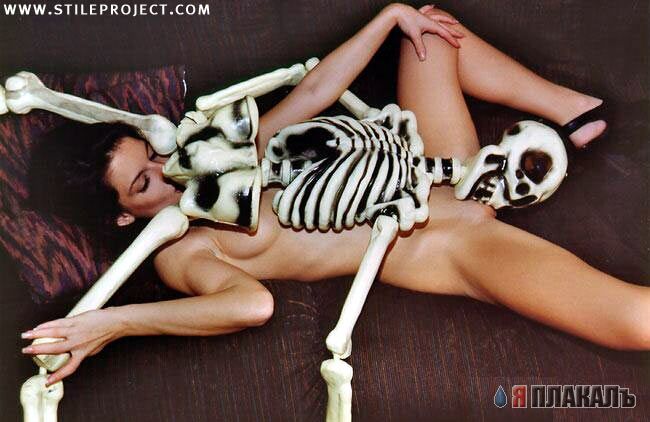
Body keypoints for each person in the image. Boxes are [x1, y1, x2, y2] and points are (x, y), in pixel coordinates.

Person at [22, 3, 649, 387]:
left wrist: (389, 16)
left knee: (427, 31)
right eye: (144, 183)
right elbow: (251, 305)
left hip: (435, 158)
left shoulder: (221, 152)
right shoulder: (183, 254)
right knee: (636, 322)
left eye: (153, 153)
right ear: (123, 217)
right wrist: (115, 324)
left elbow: (313, 93)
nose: (168, 170)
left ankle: (576, 113)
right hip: (449, 241)